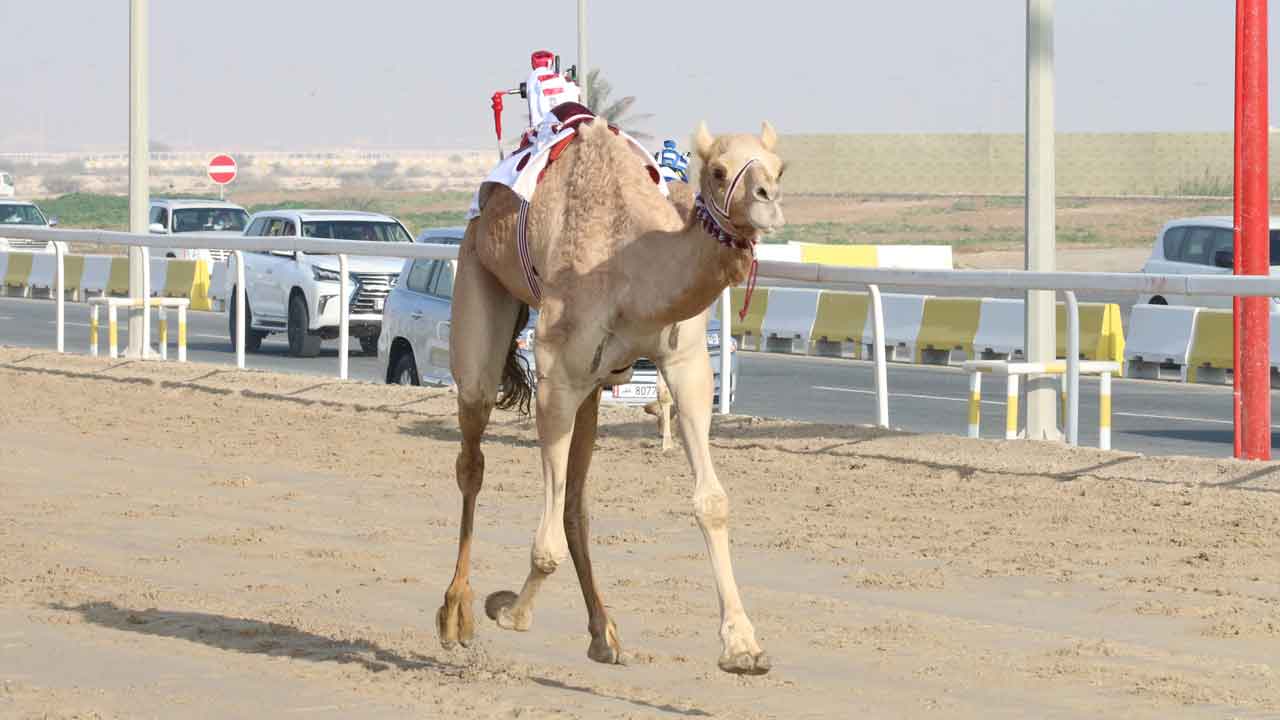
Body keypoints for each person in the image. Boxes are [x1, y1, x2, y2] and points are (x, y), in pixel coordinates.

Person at [525, 50, 581, 129]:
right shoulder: (559, 76)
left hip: (541, 126)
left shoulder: (531, 78)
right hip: (567, 120)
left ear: (532, 64)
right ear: (551, 63)